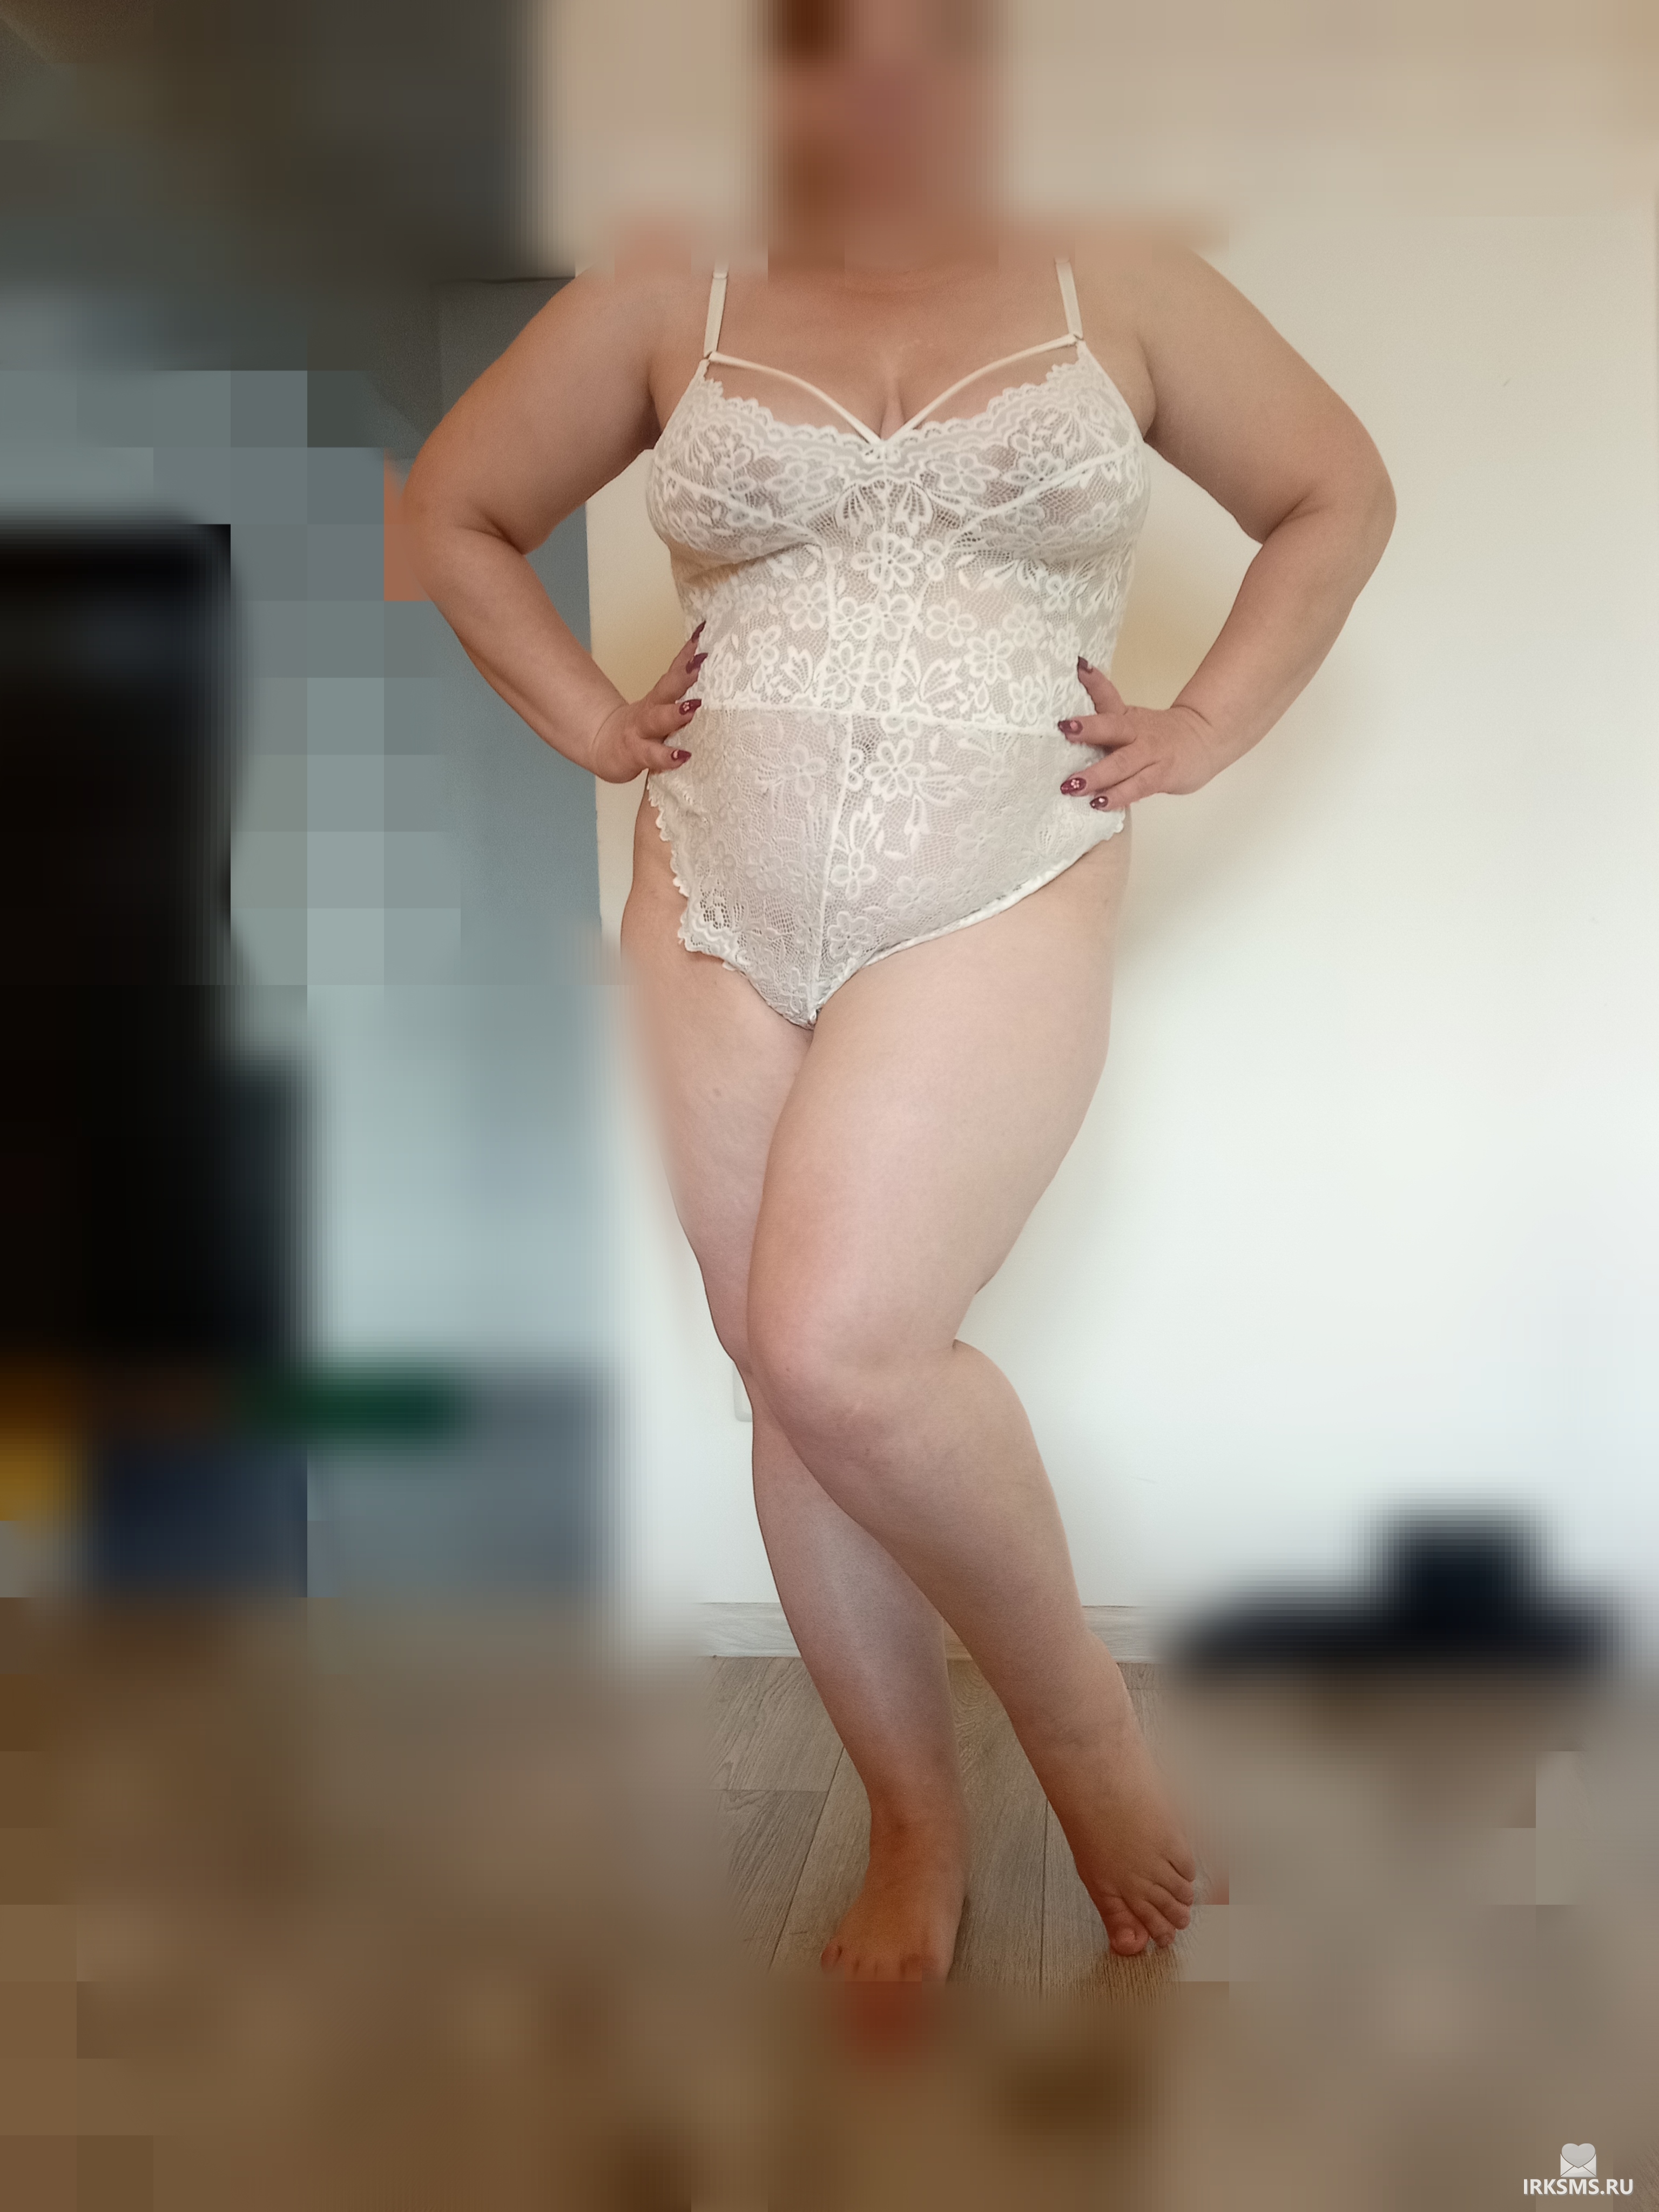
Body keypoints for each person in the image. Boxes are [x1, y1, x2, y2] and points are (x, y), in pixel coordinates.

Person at [403, 0, 1395, 1979]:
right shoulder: (667, 286)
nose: (882, 86)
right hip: (710, 894)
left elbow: (1334, 493)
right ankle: (914, 1834)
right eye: (833, 44)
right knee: (783, 1374)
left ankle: (1082, 1737)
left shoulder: (1117, 281)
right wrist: (593, 720)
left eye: (926, 41)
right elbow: (454, 508)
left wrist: (1205, 721)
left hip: (999, 879)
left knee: (846, 1342)